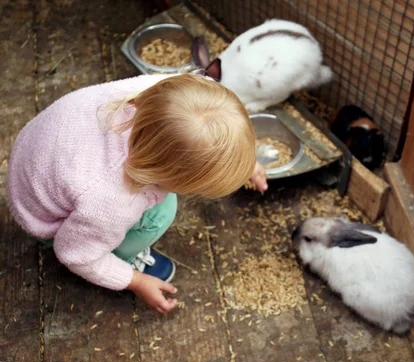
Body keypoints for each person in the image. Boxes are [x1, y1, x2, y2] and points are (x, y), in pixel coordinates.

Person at [7, 73, 268, 314]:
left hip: (40, 155)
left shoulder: (166, 95)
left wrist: (242, 159)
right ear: (168, 176)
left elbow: (206, 104)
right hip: (40, 216)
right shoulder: (113, 199)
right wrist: (134, 281)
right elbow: (75, 254)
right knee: (162, 213)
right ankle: (124, 258)